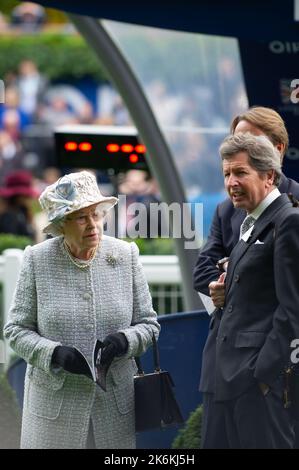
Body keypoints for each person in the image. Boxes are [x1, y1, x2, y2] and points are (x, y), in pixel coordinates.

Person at [3, 170, 160, 449]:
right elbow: (15, 331)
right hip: (54, 411)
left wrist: (125, 341)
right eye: (81, 217)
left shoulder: (125, 255)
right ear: (62, 224)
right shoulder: (37, 260)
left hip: (114, 409)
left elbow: (149, 325)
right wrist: (53, 354)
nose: (93, 225)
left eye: (96, 215)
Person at [193, 107, 299, 448]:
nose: (230, 183)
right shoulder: (245, 219)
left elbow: (293, 311)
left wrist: (263, 375)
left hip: (256, 384)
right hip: (224, 378)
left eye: (240, 173)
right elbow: (209, 271)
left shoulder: (288, 220)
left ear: (269, 175)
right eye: (226, 174)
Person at [0, 170, 39, 240]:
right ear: (18, 196)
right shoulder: (8, 216)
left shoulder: (22, 211)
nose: (29, 197)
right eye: (26, 195)